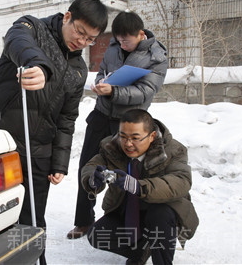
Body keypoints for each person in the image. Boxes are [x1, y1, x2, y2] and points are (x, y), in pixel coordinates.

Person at [0, 0, 108, 264]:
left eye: (90, 39)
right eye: (80, 32)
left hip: (40, 150)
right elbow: (18, 42)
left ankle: (37, 259)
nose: (82, 42)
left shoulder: (78, 69)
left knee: (35, 219)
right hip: (2, 141)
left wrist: (59, 162)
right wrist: (38, 65)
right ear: (67, 17)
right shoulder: (32, 28)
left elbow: (67, 118)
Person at [68, 11, 169, 239]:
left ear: (140, 34)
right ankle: (83, 221)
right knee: (87, 166)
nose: (122, 45)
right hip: (101, 115)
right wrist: (100, 83)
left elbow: (146, 91)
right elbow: (102, 71)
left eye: (127, 41)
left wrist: (114, 91)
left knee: (125, 176)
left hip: (130, 125)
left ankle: (126, 226)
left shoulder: (156, 57)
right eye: (118, 40)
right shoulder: (114, 47)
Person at [81, 109, 199, 264]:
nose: (128, 144)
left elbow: (181, 180)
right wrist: (92, 179)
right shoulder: (112, 146)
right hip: (127, 211)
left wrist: (138, 186)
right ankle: (141, 252)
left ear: (152, 136)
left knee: (160, 215)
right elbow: (92, 165)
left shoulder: (172, 150)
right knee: (97, 235)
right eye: (123, 136)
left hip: (159, 211)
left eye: (135, 138)